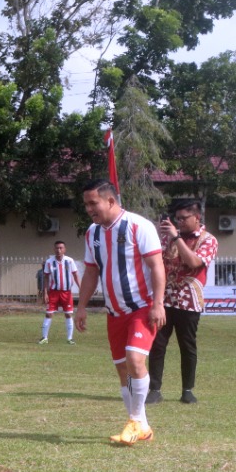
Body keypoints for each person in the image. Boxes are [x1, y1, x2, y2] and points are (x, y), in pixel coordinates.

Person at [73, 179, 166, 446]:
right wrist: (81, 307)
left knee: (135, 360)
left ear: (111, 201)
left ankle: (135, 421)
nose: (89, 209)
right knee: (123, 370)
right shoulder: (93, 233)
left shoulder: (139, 226)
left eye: (94, 203)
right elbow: (91, 271)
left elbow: (157, 266)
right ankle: (142, 426)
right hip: (114, 312)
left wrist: (158, 303)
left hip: (142, 308)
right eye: (86, 204)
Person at [147, 199, 218, 405]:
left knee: (187, 346)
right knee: (157, 344)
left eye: (183, 218)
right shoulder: (167, 238)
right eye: (177, 219)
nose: (179, 222)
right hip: (164, 299)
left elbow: (194, 262)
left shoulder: (208, 240)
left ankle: (187, 390)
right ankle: (154, 389)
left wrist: (176, 237)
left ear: (197, 217)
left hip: (189, 301)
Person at [39, 240, 81, 345]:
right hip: (53, 292)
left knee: (68, 314)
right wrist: (45, 293)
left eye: (61, 248)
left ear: (64, 249)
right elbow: (46, 278)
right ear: (54, 249)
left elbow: (75, 275)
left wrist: (81, 288)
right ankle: (44, 338)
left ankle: (70, 338)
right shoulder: (49, 262)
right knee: (48, 314)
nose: (59, 250)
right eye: (57, 248)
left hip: (66, 292)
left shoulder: (70, 261)